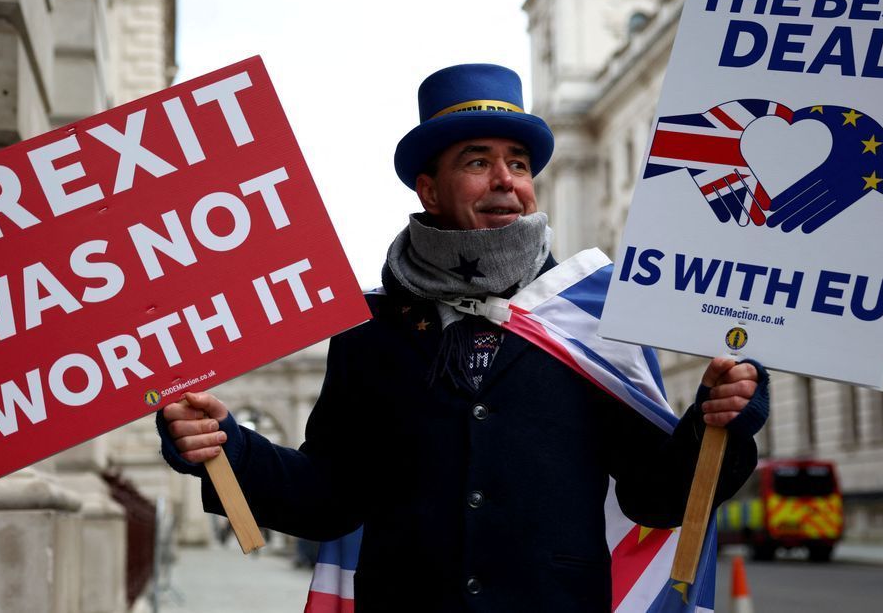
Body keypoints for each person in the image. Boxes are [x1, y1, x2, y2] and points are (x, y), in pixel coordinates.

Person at [157, 63, 769, 612]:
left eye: (519, 164)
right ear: (429, 189)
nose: (506, 180)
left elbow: (656, 497)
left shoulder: (594, 311)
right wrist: (225, 448)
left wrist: (719, 421)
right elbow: (331, 497)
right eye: (478, 162)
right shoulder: (370, 328)